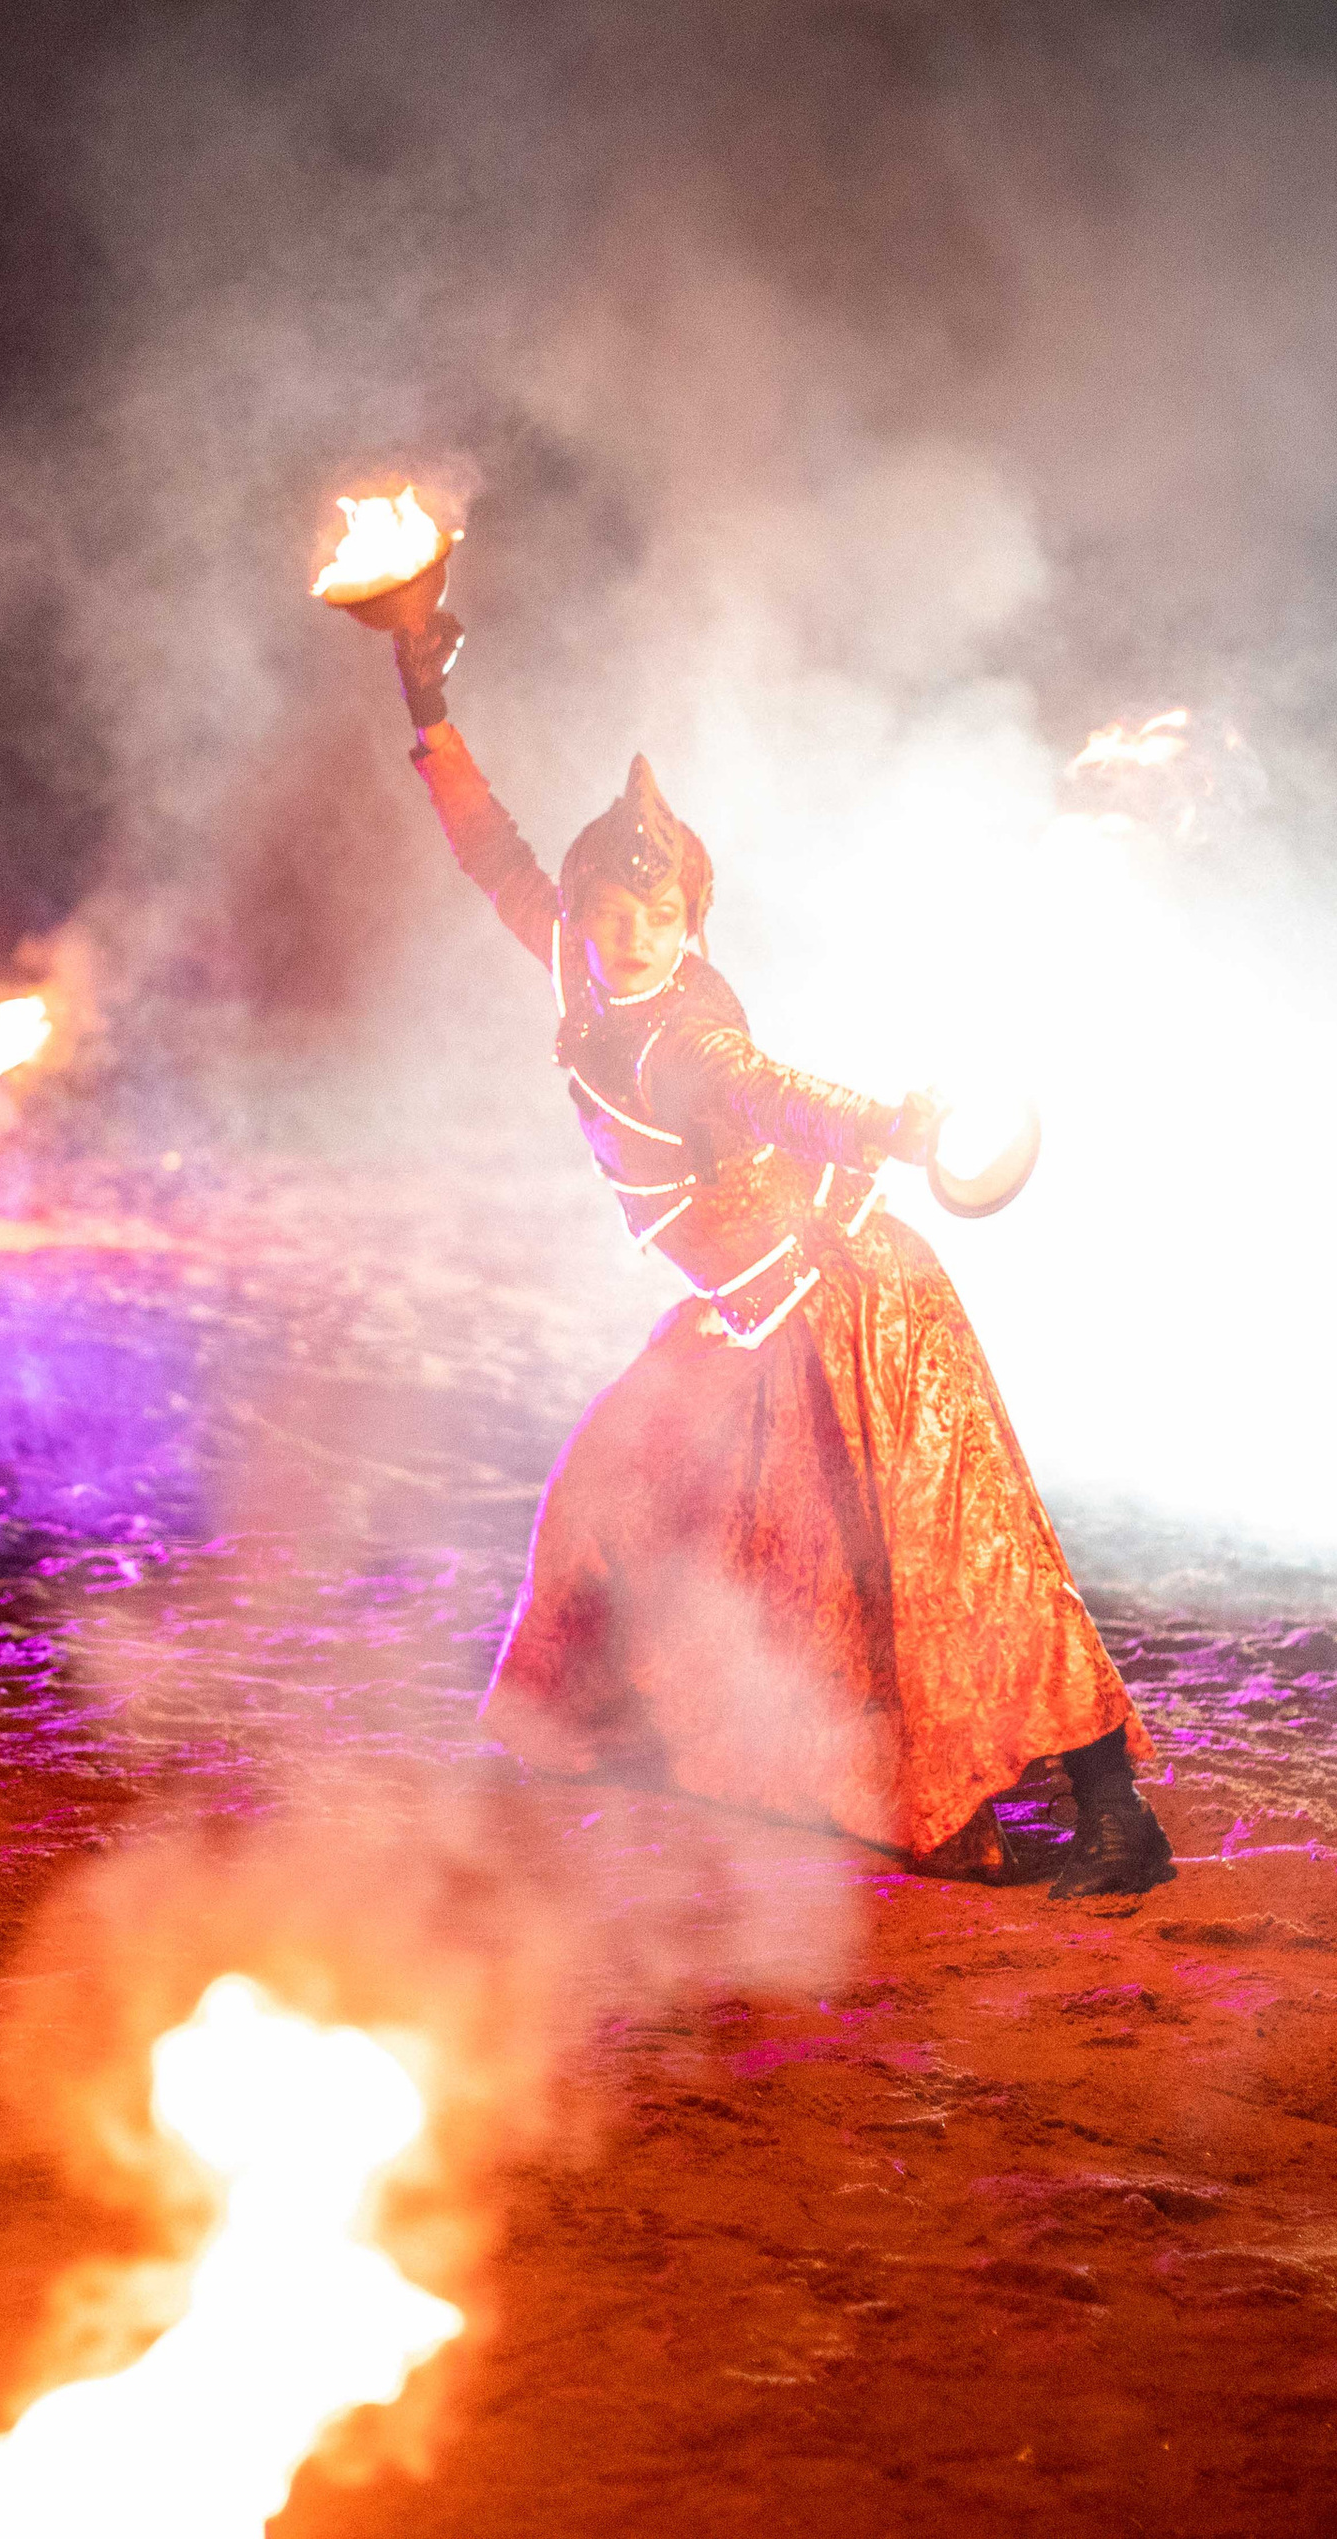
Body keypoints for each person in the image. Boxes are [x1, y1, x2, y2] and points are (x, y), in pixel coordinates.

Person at [388, 607, 1172, 1898]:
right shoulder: (581, 980)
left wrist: (896, 1126)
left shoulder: (682, 1043)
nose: (624, 929)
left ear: (687, 920)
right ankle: (600, 1732)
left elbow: (775, 1094)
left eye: (651, 911)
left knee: (956, 1555)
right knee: (614, 1493)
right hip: (748, 1320)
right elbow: (490, 852)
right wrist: (426, 702)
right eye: (605, 907)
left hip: (860, 1304)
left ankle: (1116, 1815)